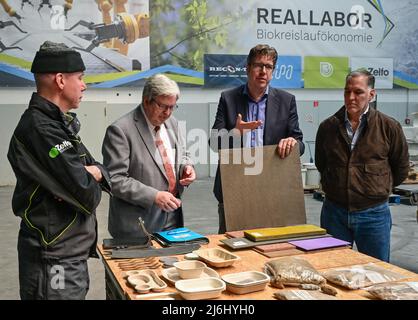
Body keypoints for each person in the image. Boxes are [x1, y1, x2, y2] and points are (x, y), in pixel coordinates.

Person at [7, 41, 111, 300]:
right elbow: (86, 194)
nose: (84, 85)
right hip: (52, 259)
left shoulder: (59, 125)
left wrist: (92, 172)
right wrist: (91, 174)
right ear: (61, 80)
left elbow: (101, 171)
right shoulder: (40, 129)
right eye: (81, 78)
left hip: (68, 254)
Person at [315, 69, 409, 262]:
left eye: (358, 92)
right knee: (334, 269)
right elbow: (321, 163)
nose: (351, 97)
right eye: (347, 92)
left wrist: (376, 189)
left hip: (373, 215)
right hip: (335, 213)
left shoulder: (389, 127)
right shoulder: (328, 127)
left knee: (378, 273)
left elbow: (400, 168)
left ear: (371, 95)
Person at [210, 44, 305, 234]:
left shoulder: (287, 101)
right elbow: (214, 142)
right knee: (232, 246)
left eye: (268, 67)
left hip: (271, 190)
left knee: (272, 246)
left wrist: (292, 143)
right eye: (258, 65)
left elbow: (299, 143)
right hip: (234, 188)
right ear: (247, 68)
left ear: (273, 71)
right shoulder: (228, 99)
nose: (263, 71)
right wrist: (236, 133)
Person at [102, 74, 196, 239]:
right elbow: (115, 180)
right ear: (146, 101)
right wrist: (154, 196)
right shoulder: (120, 130)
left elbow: (183, 153)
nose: (167, 113)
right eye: (163, 106)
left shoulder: (171, 122)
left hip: (173, 218)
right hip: (138, 225)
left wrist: (187, 167)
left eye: (172, 107)